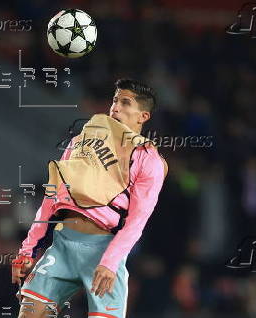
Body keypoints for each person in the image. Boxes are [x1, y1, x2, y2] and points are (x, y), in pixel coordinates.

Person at [11, 79, 168, 318]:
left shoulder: (149, 159)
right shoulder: (80, 142)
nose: (115, 107)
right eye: (115, 100)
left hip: (102, 251)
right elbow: (50, 199)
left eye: (125, 103)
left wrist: (110, 261)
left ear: (142, 116)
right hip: (61, 246)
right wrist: (28, 249)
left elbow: (138, 220)